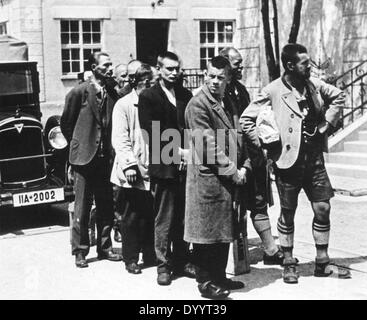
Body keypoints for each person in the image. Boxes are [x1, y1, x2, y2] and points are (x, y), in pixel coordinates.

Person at [240, 43, 351, 283]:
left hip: (315, 161)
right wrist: (265, 144)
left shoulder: (313, 85)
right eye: (305, 63)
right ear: (290, 65)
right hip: (287, 162)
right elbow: (246, 120)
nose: (309, 66)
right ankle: (288, 262)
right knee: (288, 213)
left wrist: (326, 125)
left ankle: (322, 262)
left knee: (323, 208)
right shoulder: (273, 90)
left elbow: (339, 96)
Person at [185, 56, 250, 299]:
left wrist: (245, 163)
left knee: (223, 231)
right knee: (205, 234)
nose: (215, 81)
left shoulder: (227, 102)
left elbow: (237, 135)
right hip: (209, 178)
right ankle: (205, 282)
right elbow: (206, 145)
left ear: (228, 79)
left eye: (220, 77)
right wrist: (233, 171)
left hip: (225, 178)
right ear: (204, 75)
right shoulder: (198, 104)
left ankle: (220, 277)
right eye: (211, 76)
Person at [219, 47, 284, 265]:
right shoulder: (217, 92)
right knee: (231, 206)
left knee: (258, 201)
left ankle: (270, 250)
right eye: (237, 63)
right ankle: (232, 256)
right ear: (226, 63)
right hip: (229, 158)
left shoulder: (240, 90)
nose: (241, 67)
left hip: (250, 155)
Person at [138, 51, 195, 286]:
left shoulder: (185, 94)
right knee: (165, 218)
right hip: (164, 166)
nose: (174, 73)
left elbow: (191, 126)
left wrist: (190, 151)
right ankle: (163, 265)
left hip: (186, 167)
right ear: (159, 69)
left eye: (176, 69)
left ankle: (182, 259)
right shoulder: (149, 97)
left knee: (184, 216)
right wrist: (177, 152)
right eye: (169, 69)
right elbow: (151, 132)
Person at [61, 51, 122, 268]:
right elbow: (66, 123)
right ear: (94, 67)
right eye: (105, 65)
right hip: (84, 159)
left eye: (111, 64)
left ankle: (104, 247)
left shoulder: (112, 93)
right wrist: (79, 144)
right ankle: (80, 250)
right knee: (82, 206)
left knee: (106, 205)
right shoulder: (79, 92)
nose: (109, 68)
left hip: (105, 159)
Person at [111, 64, 156, 274]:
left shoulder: (153, 102)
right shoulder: (124, 105)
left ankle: (150, 253)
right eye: (155, 82)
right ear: (145, 82)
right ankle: (131, 258)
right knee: (130, 216)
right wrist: (129, 164)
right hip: (131, 170)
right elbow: (120, 139)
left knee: (149, 213)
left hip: (151, 168)